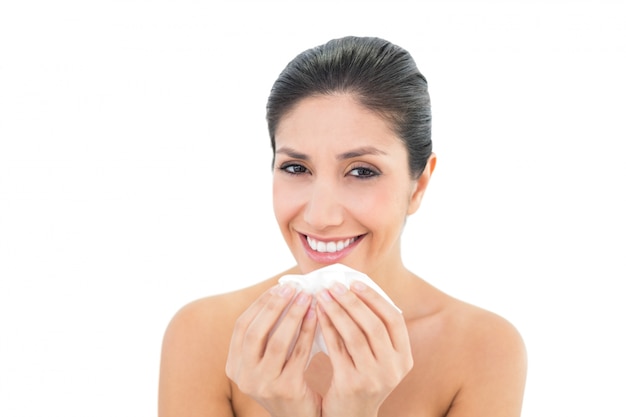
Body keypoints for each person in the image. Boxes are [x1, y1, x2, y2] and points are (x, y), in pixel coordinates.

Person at [158, 35, 527, 417]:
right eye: (296, 168)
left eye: (362, 171)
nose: (320, 216)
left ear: (418, 185)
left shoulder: (483, 348)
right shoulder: (203, 335)